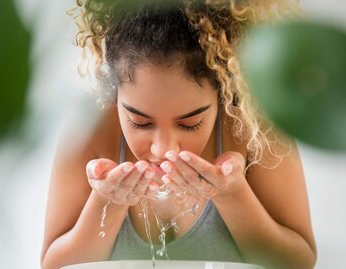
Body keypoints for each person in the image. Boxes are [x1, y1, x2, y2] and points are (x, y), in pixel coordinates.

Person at [41, 0, 317, 268]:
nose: (164, 150)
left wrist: (232, 194)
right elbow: (54, 265)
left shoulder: (254, 127)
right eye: (140, 122)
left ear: (222, 91)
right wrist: (108, 202)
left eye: (189, 123)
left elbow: (298, 262)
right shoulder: (89, 130)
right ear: (115, 94)